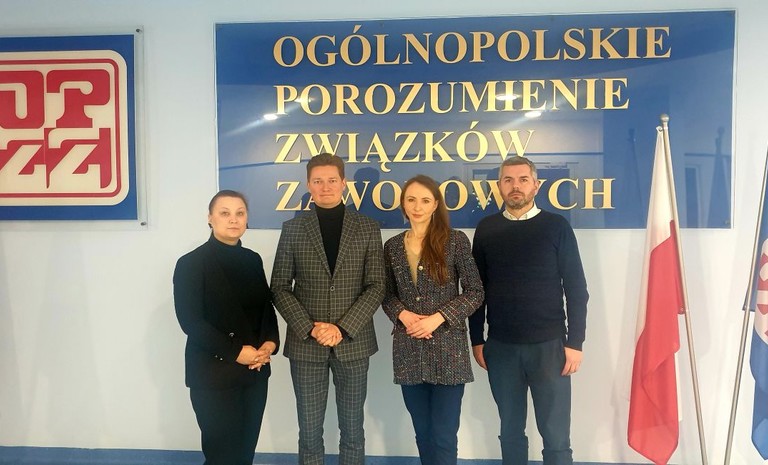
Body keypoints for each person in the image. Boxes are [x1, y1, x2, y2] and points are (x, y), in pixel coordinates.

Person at [469, 157, 589, 465]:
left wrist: (575, 342)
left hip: (550, 347)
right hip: (501, 348)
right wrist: (477, 339)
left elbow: (576, 288)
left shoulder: (556, 226)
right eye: (508, 180)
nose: (516, 186)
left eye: (523, 179)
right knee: (510, 430)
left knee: (556, 435)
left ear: (535, 185)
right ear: (499, 186)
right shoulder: (486, 229)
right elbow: (476, 291)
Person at [270, 153, 386, 465]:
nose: (325, 187)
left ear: (343, 182)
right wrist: (310, 328)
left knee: (353, 430)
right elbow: (279, 286)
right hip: (306, 345)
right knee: (309, 432)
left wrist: (342, 327)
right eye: (318, 181)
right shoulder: (293, 228)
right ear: (308, 184)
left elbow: (377, 285)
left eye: (332, 180)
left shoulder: (367, 227)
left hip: (353, 342)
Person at [382, 175, 484, 465]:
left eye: (425, 200)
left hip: (448, 351)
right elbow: (385, 294)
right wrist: (403, 314)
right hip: (409, 350)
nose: (417, 207)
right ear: (403, 204)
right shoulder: (392, 246)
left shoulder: (455, 241)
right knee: (423, 433)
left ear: (436, 204)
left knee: (444, 435)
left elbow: (475, 292)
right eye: (411, 200)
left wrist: (438, 318)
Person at [173, 190, 280, 465]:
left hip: (254, 372)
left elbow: (266, 308)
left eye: (240, 213)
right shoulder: (191, 263)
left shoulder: (252, 259)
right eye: (225, 213)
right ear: (210, 218)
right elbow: (191, 321)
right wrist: (236, 352)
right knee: (222, 455)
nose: (233, 219)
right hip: (213, 374)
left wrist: (270, 343)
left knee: (245, 454)